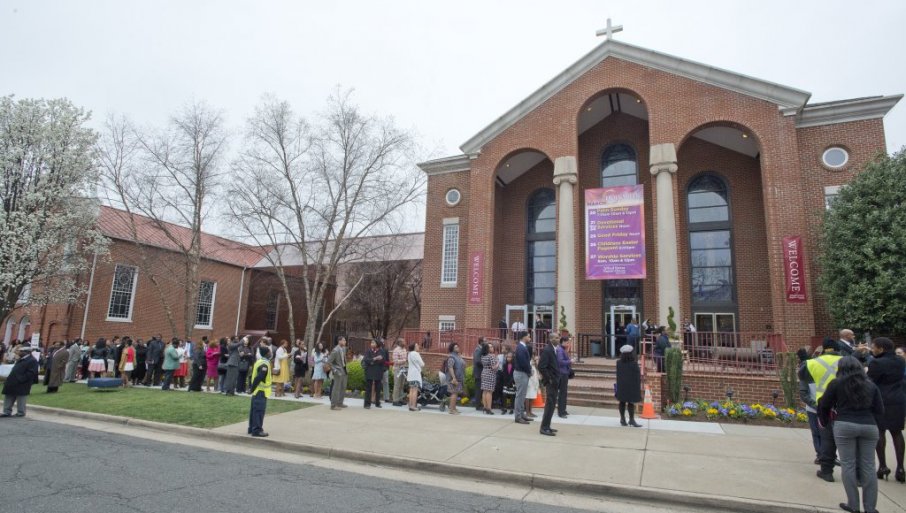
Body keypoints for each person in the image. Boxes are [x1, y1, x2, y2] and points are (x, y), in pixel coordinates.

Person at [818, 356, 884, 513]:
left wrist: (824, 422)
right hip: (869, 425)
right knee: (869, 466)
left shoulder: (836, 383)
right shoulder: (871, 385)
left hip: (844, 424)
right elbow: (880, 410)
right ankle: (870, 508)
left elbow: (824, 404)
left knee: (848, 464)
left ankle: (853, 505)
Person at [802, 337, 843, 482]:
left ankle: (827, 471)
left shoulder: (813, 363)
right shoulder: (847, 361)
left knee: (827, 439)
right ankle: (856, 475)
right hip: (844, 405)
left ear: (823, 348)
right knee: (848, 441)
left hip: (824, 406)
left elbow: (803, 379)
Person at [868, 337, 906, 483]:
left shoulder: (876, 363)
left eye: (874, 347)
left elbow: (870, 381)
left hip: (881, 400)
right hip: (898, 399)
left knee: (880, 431)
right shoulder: (900, 361)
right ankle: (901, 468)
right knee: (897, 432)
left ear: (881, 349)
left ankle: (883, 466)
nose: (872, 349)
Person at [797, 347, 822, 464]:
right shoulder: (806, 373)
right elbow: (804, 394)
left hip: (821, 408)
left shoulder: (823, 374)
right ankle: (821, 455)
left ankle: (824, 455)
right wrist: (816, 405)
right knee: (817, 433)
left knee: (821, 434)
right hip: (814, 409)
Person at [1, 345, 39, 417]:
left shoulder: (32, 360)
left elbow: (31, 373)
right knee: (9, 396)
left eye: (20, 351)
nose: (18, 352)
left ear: (26, 352)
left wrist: (21, 379)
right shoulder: (21, 359)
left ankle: (20, 412)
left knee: (21, 398)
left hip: (22, 383)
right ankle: (6, 411)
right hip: (12, 381)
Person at [537, 333, 561, 437]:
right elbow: (541, 366)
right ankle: (544, 428)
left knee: (552, 405)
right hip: (551, 382)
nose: (558, 339)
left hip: (555, 381)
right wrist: (550, 379)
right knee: (550, 404)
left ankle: (547, 425)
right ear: (551, 339)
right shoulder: (547, 350)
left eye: (558, 337)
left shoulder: (554, 349)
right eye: (556, 338)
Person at [616, 344, 643, 427]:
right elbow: (637, 376)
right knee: (631, 402)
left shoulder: (618, 363)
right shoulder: (634, 364)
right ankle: (631, 419)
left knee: (622, 402)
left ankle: (622, 419)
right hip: (631, 386)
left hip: (621, 385)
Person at [248, 345, 272, 438]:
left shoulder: (259, 361)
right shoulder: (264, 364)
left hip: (257, 391)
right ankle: (257, 430)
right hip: (261, 391)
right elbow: (259, 377)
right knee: (259, 411)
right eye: (269, 352)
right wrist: (252, 389)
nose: (271, 353)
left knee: (254, 411)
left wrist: (252, 389)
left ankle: (251, 428)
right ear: (266, 353)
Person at [514, 333, 532, 424]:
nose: (530, 338)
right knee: (520, 395)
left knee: (522, 395)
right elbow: (523, 362)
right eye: (528, 336)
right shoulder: (521, 347)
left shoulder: (523, 347)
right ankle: (518, 416)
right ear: (524, 337)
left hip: (523, 373)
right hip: (521, 373)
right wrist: (529, 371)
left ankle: (521, 414)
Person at [362, 338, 385, 409]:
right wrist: (375, 359)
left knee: (378, 388)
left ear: (377, 344)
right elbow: (366, 360)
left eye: (373, 343)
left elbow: (382, 360)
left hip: (378, 371)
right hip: (369, 371)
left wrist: (372, 361)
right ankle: (367, 404)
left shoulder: (381, 351)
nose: (372, 344)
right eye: (371, 343)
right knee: (368, 388)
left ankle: (377, 403)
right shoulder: (368, 351)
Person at [328, 337, 348, 410]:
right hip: (338, 371)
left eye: (345, 340)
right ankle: (333, 405)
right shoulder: (335, 350)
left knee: (343, 387)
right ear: (339, 341)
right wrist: (335, 370)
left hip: (344, 370)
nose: (345, 341)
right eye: (344, 340)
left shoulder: (344, 349)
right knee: (336, 388)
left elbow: (343, 360)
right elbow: (329, 362)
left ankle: (340, 403)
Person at [556, 337, 573, 418]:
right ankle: (561, 411)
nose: (568, 344)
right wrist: (570, 361)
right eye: (567, 342)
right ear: (563, 342)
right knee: (562, 393)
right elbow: (560, 362)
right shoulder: (560, 350)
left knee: (564, 393)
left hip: (564, 373)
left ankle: (563, 410)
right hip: (562, 373)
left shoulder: (563, 350)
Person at [446, 342, 465, 415]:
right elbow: (450, 367)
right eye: (456, 347)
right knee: (454, 393)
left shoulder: (457, 356)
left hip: (459, 378)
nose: (458, 348)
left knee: (456, 393)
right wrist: (454, 378)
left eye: (458, 347)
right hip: (453, 378)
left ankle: (454, 408)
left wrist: (460, 357)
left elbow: (463, 364)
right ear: (452, 349)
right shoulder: (451, 357)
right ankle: (451, 409)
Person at [480, 343, 498, 415]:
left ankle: (485, 407)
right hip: (490, 374)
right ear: (487, 349)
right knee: (489, 391)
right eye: (490, 347)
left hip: (484, 372)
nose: (492, 348)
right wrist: (498, 363)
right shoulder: (491, 356)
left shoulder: (483, 356)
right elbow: (494, 367)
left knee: (484, 391)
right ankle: (489, 408)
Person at [407, 342, 424, 412]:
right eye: (417, 345)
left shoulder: (409, 354)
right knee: (415, 390)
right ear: (414, 347)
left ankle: (410, 405)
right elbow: (422, 364)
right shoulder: (416, 354)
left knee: (411, 390)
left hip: (410, 374)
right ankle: (413, 406)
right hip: (415, 374)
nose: (418, 346)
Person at [391, 339, 407, 406]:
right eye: (403, 342)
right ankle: (395, 400)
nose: (405, 342)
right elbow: (395, 361)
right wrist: (404, 361)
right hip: (397, 369)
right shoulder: (396, 350)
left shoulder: (404, 349)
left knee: (401, 385)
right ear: (399, 343)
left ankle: (400, 399)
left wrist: (404, 361)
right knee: (397, 385)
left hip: (403, 369)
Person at [472, 338, 485, 409]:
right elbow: (477, 361)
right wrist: (485, 364)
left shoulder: (480, 349)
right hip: (478, 373)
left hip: (480, 372)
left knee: (480, 389)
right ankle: (477, 405)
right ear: (481, 342)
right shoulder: (478, 350)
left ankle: (479, 404)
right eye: (485, 341)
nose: (486, 342)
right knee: (478, 390)